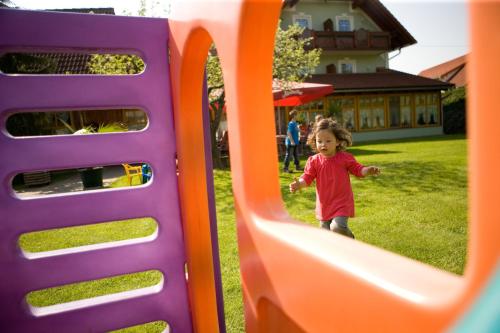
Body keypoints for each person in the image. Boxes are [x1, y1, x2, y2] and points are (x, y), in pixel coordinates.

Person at [289, 118, 380, 238]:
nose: (323, 144)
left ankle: (351, 239)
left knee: (336, 227)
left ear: (337, 142)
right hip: (324, 205)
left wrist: (367, 170)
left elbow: (358, 170)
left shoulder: (345, 158)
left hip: (342, 203)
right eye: (319, 141)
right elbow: (307, 177)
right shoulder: (314, 161)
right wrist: (299, 184)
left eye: (328, 141)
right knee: (327, 237)